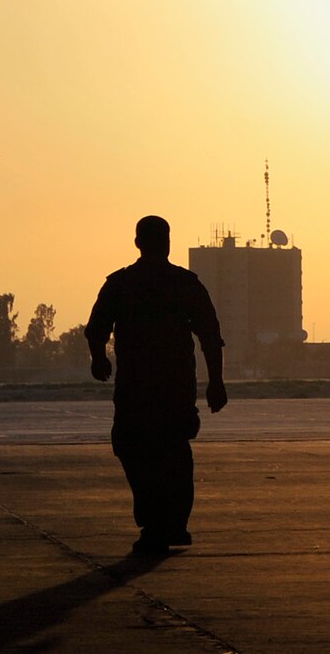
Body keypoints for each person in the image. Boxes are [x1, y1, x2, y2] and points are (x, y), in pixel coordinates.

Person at [87, 215, 226, 554]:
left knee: (135, 449)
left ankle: (156, 523)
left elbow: (96, 328)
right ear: (167, 243)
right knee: (174, 452)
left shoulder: (122, 283)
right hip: (174, 385)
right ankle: (171, 523)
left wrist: (99, 358)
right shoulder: (184, 283)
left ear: (138, 243)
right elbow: (210, 336)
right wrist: (216, 382)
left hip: (138, 386)